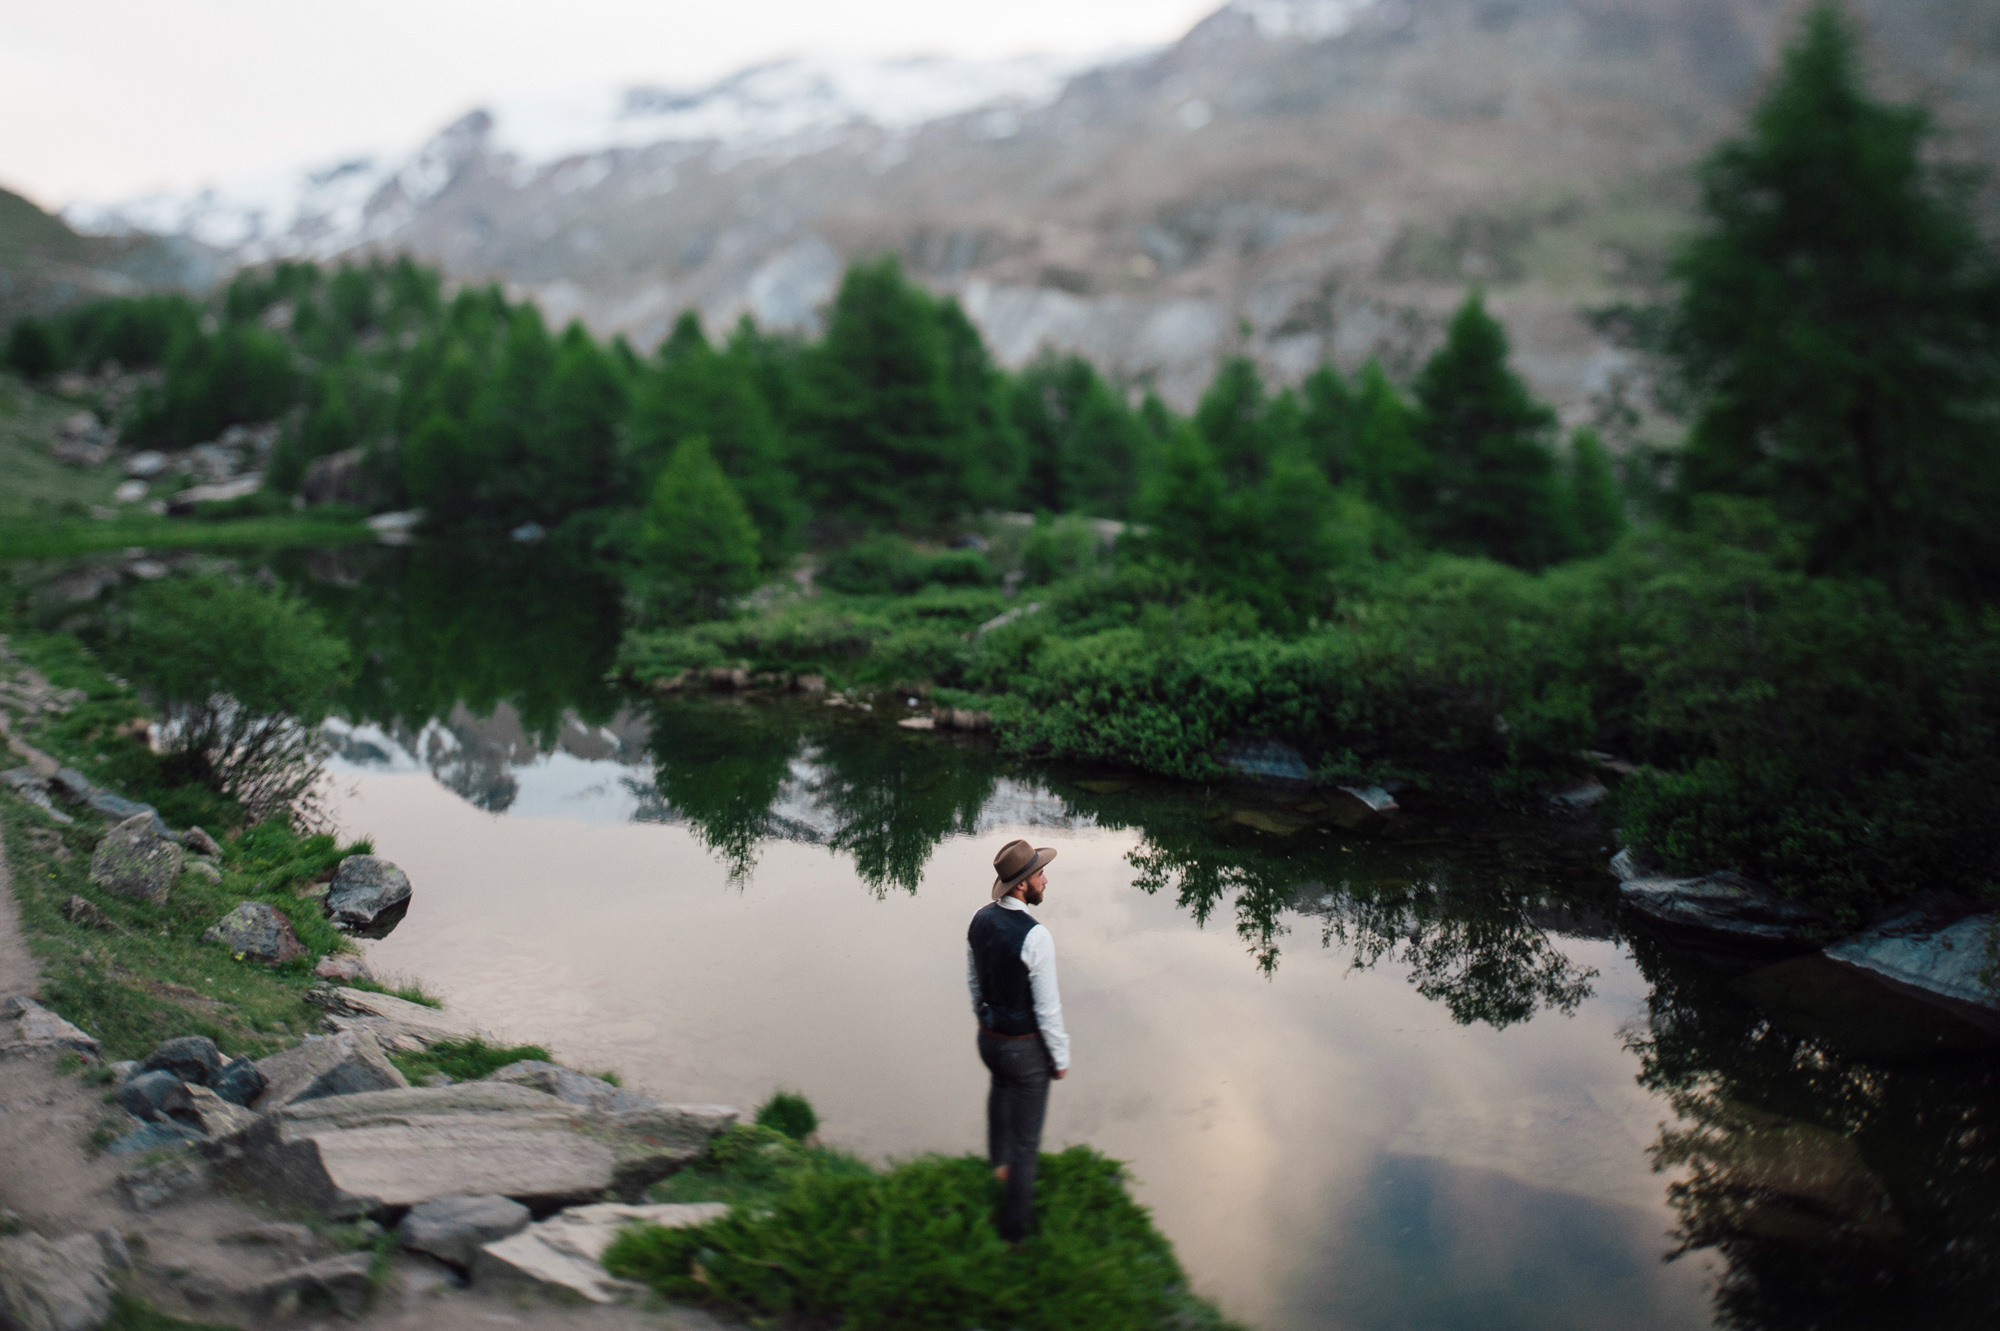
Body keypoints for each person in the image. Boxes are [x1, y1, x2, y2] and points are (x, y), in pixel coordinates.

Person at [967, 837, 1069, 1242]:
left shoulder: (978, 918)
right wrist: (1058, 1057)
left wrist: (985, 1021)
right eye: (1041, 874)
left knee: (999, 1091)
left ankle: (998, 1167)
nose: (1046, 880)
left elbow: (975, 982)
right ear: (1022, 885)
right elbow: (1048, 1009)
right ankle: (1014, 1235)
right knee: (1027, 1140)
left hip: (989, 1041)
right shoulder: (1036, 936)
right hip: (1023, 1048)